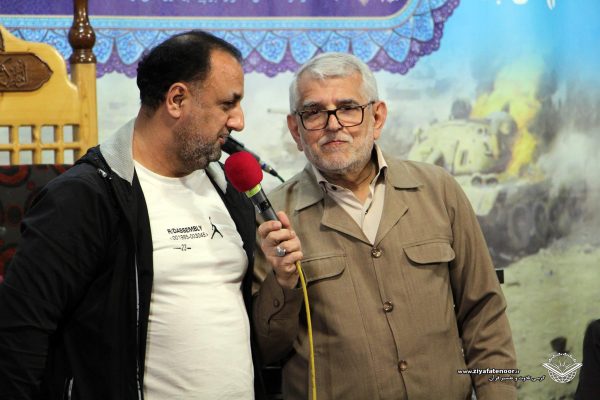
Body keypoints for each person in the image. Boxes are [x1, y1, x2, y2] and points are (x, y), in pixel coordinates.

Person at [0, 30, 267, 400]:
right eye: (227, 104)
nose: (238, 121)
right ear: (176, 99)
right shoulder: (84, 198)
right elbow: (20, 335)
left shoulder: (228, 189)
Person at [253, 52, 518, 400]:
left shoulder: (438, 190)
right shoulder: (272, 219)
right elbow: (267, 351)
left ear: (377, 117)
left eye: (348, 107)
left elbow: (485, 314)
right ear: (296, 130)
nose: (333, 124)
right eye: (314, 112)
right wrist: (283, 283)